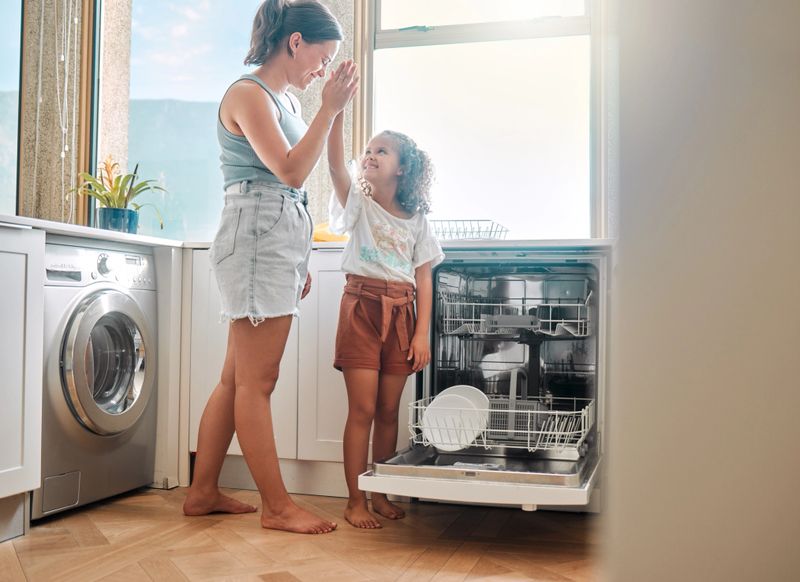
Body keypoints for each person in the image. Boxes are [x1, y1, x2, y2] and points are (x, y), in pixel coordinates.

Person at [182, 0, 358, 535]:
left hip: (271, 244)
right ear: (295, 41)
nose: (321, 71)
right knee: (259, 382)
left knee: (236, 379)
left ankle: (203, 492)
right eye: (321, 58)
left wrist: (297, 258)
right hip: (256, 239)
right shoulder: (247, 94)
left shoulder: (283, 101)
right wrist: (327, 107)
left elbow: (300, 177)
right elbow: (288, 173)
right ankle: (278, 507)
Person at [327, 117, 445, 528]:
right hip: (361, 309)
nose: (370, 155)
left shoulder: (417, 221)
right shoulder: (358, 204)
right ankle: (354, 500)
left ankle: (380, 494)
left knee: (389, 410)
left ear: (403, 169)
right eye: (368, 151)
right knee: (361, 408)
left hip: (401, 315)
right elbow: (335, 168)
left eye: (382, 150)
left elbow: (425, 276)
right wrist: (335, 113)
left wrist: (421, 332)